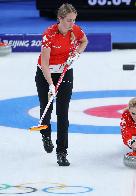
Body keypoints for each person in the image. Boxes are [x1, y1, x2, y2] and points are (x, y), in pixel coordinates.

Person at [35, 3, 88, 166]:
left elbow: (84, 41)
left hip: (65, 72)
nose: (72, 24)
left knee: (62, 113)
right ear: (60, 18)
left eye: (74, 20)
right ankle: (45, 135)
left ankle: (62, 152)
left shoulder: (75, 30)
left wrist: (76, 54)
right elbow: (44, 64)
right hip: (46, 74)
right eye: (68, 21)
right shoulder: (49, 34)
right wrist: (51, 84)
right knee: (47, 108)